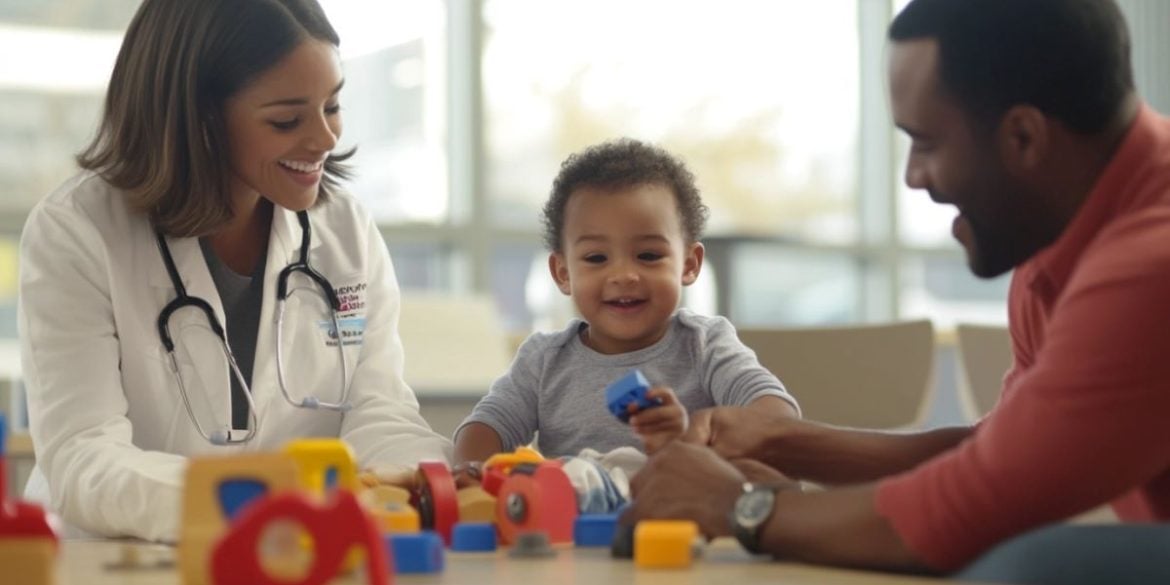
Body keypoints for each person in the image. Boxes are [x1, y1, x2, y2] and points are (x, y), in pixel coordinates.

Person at [623, 0, 1170, 582]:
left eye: (926, 143)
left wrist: (739, 507)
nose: (912, 175)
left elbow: (973, 510)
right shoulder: (1059, 251)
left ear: (1024, 137)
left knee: (1025, 570)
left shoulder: (1146, 269)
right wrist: (781, 440)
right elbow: (1007, 458)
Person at [18, 0, 450, 542]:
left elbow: (377, 413)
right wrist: (256, 502)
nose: (325, 138)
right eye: (287, 119)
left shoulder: (345, 232)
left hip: (296, 556)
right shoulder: (77, 233)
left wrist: (431, 481)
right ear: (198, 118)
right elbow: (85, 455)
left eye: (332, 105)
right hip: (123, 560)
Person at [453, 139, 799, 468]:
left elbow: (776, 416)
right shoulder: (543, 362)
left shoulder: (706, 345)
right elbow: (485, 428)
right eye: (596, 258)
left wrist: (693, 438)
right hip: (579, 525)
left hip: (686, 519)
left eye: (648, 255)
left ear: (689, 264)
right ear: (562, 273)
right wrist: (472, 474)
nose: (623, 275)